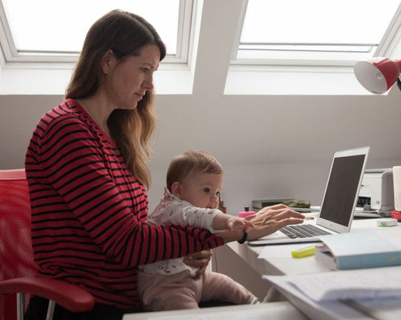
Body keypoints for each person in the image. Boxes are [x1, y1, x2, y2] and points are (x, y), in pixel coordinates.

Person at [24, 9, 304, 319]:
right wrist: (231, 232)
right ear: (106, 61)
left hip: (131, 295)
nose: (150, 84)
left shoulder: (110, 135)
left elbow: (138, 229)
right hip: (89, 306)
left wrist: (194, 244)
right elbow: (129, 244)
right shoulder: (67, 131)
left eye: (154, 71)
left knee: (275, 310)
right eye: (144, 69)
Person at [139, 150, 257, 311]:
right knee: (188, 312)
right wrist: (228, 220)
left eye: (217, 192)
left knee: (227, 284)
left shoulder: (186, 207)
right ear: (178, 190)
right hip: (165, 286)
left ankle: (257, 305)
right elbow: (202, 216)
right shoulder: (174, 208)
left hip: (192, 277)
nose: (214, 199)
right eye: (207, 190)